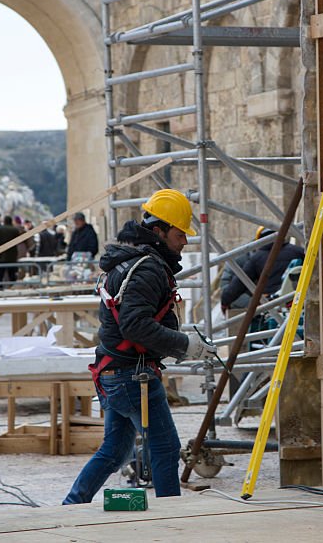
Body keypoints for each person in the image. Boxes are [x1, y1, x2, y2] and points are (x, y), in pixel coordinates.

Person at [62, 189, 216, 505]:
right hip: (132, 377)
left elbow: (134, 320)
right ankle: (169, 513)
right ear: (158, 231)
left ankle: (72, 505)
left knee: (115, 451)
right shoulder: (148, 268)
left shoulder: (132, 262)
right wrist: (185, 344)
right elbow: (134, 325)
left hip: (115, 372)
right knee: (164, 446)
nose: (184, 242)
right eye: (179, 234)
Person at [220, 227, 305, 310]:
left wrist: (225, 300)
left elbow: (240, 283)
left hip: (271, 302)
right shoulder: (298, 251)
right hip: (297, 298)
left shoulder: (257, 258)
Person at [0, 215, 22, 284]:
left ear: (5, 221)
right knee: (12, 274)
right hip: (12, 255)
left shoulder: (0, 229)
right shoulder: (15, 230)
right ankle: (12, 287)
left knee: (0, 274)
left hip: (1, 255)